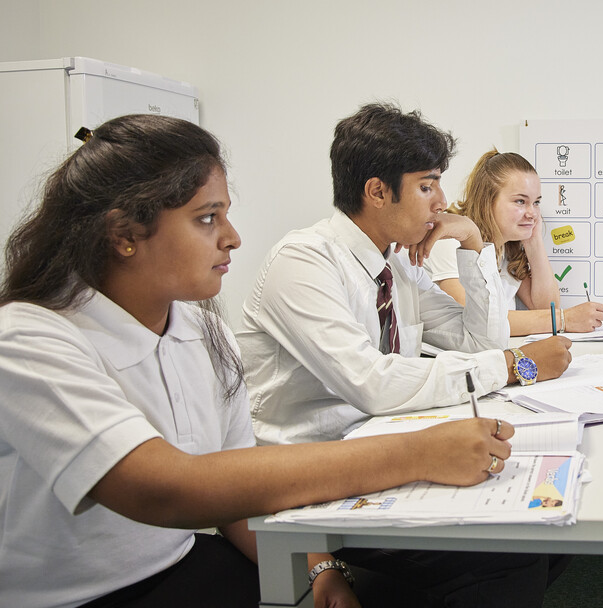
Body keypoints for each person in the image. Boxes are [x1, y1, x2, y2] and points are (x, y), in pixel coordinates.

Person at [0, 114, 540, 608]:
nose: (232, 238)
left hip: (174, 559)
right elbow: (168, 488)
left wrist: (318, 568)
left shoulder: (196, 324)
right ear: (124, 234)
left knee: (399, 606)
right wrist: (416, 454)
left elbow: (235, 473)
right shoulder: (21, 339)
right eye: (208, 219)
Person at [237, 104, 573, 446]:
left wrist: (473, 240)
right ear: (378, 192)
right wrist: (513, 365)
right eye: (427, 187)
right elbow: (372, 384)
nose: (442, 202)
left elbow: (482, 344)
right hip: (310, 459)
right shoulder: (303, 262)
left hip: (382, 440)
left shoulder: (397, 265)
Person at [421, 149, 603, 336]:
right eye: (520, 201)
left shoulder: (508, 245)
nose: (532, 212)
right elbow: (477, 320)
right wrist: (563, 319)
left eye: (536, 202)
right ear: (487, 201)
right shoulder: (450, 240)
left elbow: (544, 306)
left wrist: (533, 241)